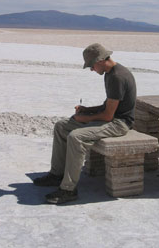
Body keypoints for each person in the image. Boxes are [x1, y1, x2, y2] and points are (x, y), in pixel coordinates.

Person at [33, 43, 137, 204]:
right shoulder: (110, 73)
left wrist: (84, 118)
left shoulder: (117, 77)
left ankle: (68, 189)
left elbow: (109, 115)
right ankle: (57, 174)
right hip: (112, 118)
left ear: (101, 60)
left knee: (76, 136)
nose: (91, 69)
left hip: (120, 123)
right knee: (61, 126)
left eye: (92, 65)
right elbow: (108, 106)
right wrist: (87, 110)